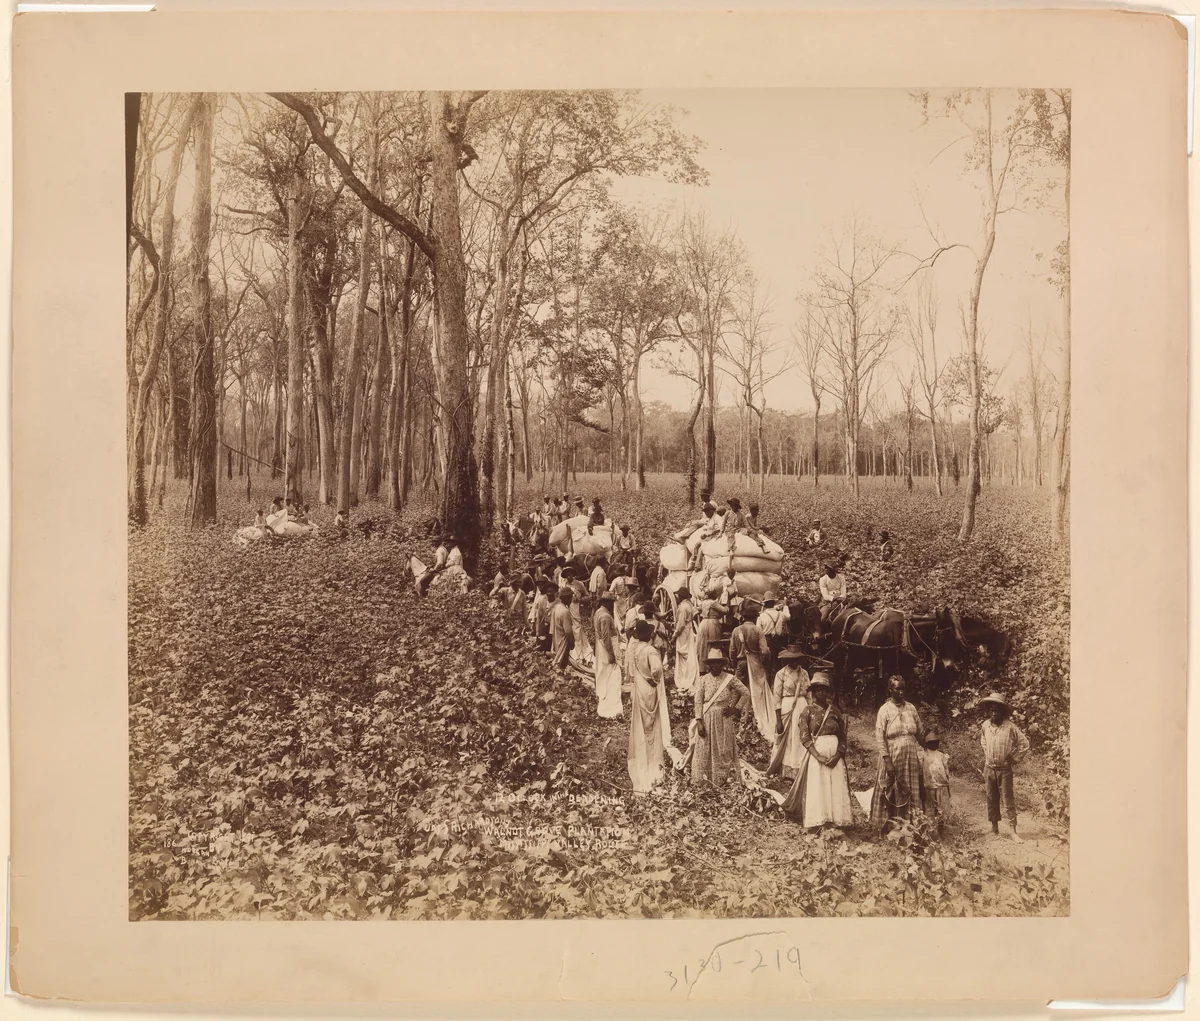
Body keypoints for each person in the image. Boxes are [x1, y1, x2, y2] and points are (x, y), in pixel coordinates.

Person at [781, 673, 854, 829]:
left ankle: (837, 820)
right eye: (817, 689)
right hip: (817, 756)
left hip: (835, 758)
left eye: (824, 689)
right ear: (812, 692)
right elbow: (805, 737)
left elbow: (842, 737)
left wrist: (837, 755)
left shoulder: (835, 712)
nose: (820, 693)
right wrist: (817, 756)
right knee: (819, 788)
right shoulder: (807, 711)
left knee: (835, 787)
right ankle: (819, 821)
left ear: (828, 693)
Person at [869, 675, 926, 831]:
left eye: (903, 689)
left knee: (911, 788)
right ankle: (889, 825)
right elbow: (880, 737)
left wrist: (930, 750)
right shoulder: (884, 710)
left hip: (910, 756)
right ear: (890, 690)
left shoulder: (911, 708)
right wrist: (887, 760)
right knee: (892, 789)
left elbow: (920, 733)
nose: (901, 692)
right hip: (893, 755)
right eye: (897, 689)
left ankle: (911, 825)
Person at [691, 648, 751, 786]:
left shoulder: (730, 679)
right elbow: (698, 701)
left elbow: (746, 693)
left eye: (718, 663)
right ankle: (704, 779)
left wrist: (735, 709)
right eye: (712, 663)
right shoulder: (703, 680)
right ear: (708, 665)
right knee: (704, 746)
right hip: (707, 718)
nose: (715, 666)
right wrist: (699, 721)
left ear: (722, 664)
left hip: (724, 719)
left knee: (724, 747)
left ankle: (723, 779)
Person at [627, 618, 671, 793]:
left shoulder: (636, 649)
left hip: (639, 687)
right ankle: (652, 758)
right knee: (652, 722)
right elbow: (657, 670)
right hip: (650, 688)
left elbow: (631, 671)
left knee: (641, 720)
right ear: (650, 635)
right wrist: (656, 680)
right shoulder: (651, 651)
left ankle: (642, 752)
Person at [979, 692, 1031, 840]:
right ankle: (994, 828)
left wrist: (1014, 758)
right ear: (988, 711)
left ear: (1003, 711)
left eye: (997, 710)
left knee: (1007, 799)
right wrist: (988, 754)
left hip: (1005, 770)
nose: (994, 713)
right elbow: (983, 740)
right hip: (989, 768)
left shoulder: (1010, 727)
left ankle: (1013, 831)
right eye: (991, 710)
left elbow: (1025, 744)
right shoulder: (985, 725)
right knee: (991, 797)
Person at [729, 603, 774, 744]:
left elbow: (731, 650)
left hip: (741, 662)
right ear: (754, 618)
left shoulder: (736, 630)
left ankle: (732, 713)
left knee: (738, 688)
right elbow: (765, 650)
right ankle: (755, 712)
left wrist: (734, 662)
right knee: (757, 688)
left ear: (743, 618)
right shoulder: (757, 630)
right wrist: (763, 660)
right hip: (755, 662)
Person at [766, 647, 811, 778]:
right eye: (791, 660)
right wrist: (778, 719)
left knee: (800, 736)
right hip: (787, 707)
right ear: (786, 660)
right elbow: (776, 697)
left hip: (802, 706)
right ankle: (786, 770)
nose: (794, 663)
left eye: (796, 659)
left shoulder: (804, 673)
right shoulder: (781, 674)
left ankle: (801, 768)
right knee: (788, 738)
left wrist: (811, 710)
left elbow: (809, 695)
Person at [592, 593, 623, 719]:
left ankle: (602, 692)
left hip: (600, 646)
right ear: (607, 602)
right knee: (612, 672)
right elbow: (606, 637)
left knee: (603, 671)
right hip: (606, 647)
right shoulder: (605, 616)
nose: (612, 605)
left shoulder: (598, 612)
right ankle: (608, 699)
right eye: (611, 602)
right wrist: (611, 654)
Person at [922, 729, 952, 838]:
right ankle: (929, 833)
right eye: (931, 742)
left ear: (939, 743)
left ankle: (940, 832)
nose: (934, 744)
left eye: (936, 742)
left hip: (941, 787)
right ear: (927, 743)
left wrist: (948, 790)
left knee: (941, 811)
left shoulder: (942, 756)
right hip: (929, 787)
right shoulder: (923, 755)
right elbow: (921, 773)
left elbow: (946, 773)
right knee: (929, 810)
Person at [673, 588, 699, 693]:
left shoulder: (683, 607)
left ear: (682, 597)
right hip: (689, 630)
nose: (678, 597)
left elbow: (680, 624)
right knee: (689, 652)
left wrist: (675, 635)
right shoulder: (689, 605)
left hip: (684, 632)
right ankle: (688, 677)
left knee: (682, 653)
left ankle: (684, 679)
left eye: (679, 595)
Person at [694, 600, 724, 669]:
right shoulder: (714, 603)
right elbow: (725, 610)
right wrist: (727, 607)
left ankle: (702, 667)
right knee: (713, 644)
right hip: (712, 624)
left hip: (703, 623)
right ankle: (712, 667)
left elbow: (697, 609)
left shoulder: (704, 602)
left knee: (702, 645)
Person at [550, 587, 575, 669]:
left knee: (558, 661)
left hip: (557, 639)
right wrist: (572, 643)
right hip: (563, 642)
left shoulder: (556, 607)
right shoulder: (565, 612)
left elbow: (552, 626)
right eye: (570, 598)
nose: (571, 600)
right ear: (567, 599)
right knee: (562, 663)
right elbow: (568, 631)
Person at [532, 580, 555, 651]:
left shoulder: (558, 602)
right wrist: (538, 631)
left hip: (554, 627)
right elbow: (539, 617)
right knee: (544, 645)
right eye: (548, 592)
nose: (549, 593)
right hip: (544, 627)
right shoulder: (542, 601)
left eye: (551, 592)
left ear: (555, 592)